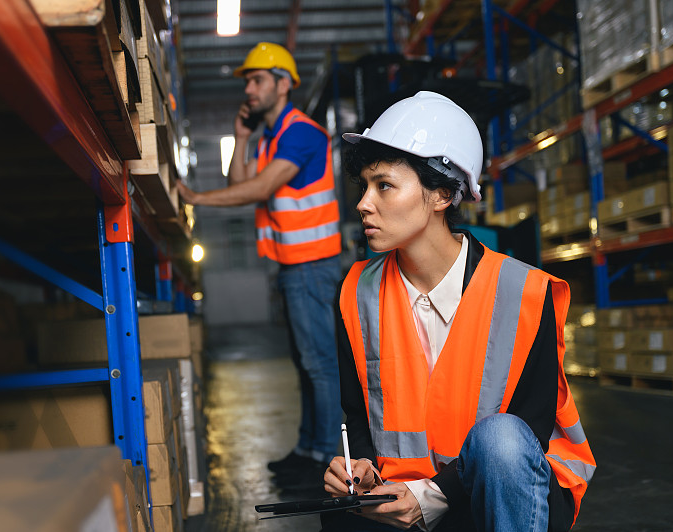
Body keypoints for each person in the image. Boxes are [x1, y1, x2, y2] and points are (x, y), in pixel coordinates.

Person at [321, 91, 596, 531]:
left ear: (442, 195)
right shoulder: (357, 292)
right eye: (364, 186)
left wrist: (430, 495)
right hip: (401, 494)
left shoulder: (526, 292)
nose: (363, 204)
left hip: (502, 493)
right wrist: (360, 467)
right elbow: (358, 413)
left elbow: (529, 429)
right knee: (339, 520)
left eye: (384, 186)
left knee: (500, 440)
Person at [176, 42, 344, 487]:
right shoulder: (270, 137)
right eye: (247, 82)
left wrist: (194, 197)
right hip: (293, 266)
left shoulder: (301, 133)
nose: (248, 89)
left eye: (256, 80)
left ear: (283, 84)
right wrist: (244, 137)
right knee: (305, 362)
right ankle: (308, 448)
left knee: (320, 365)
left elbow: (256, 190)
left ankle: (326, 457)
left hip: (312, 265)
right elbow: (240, 181)